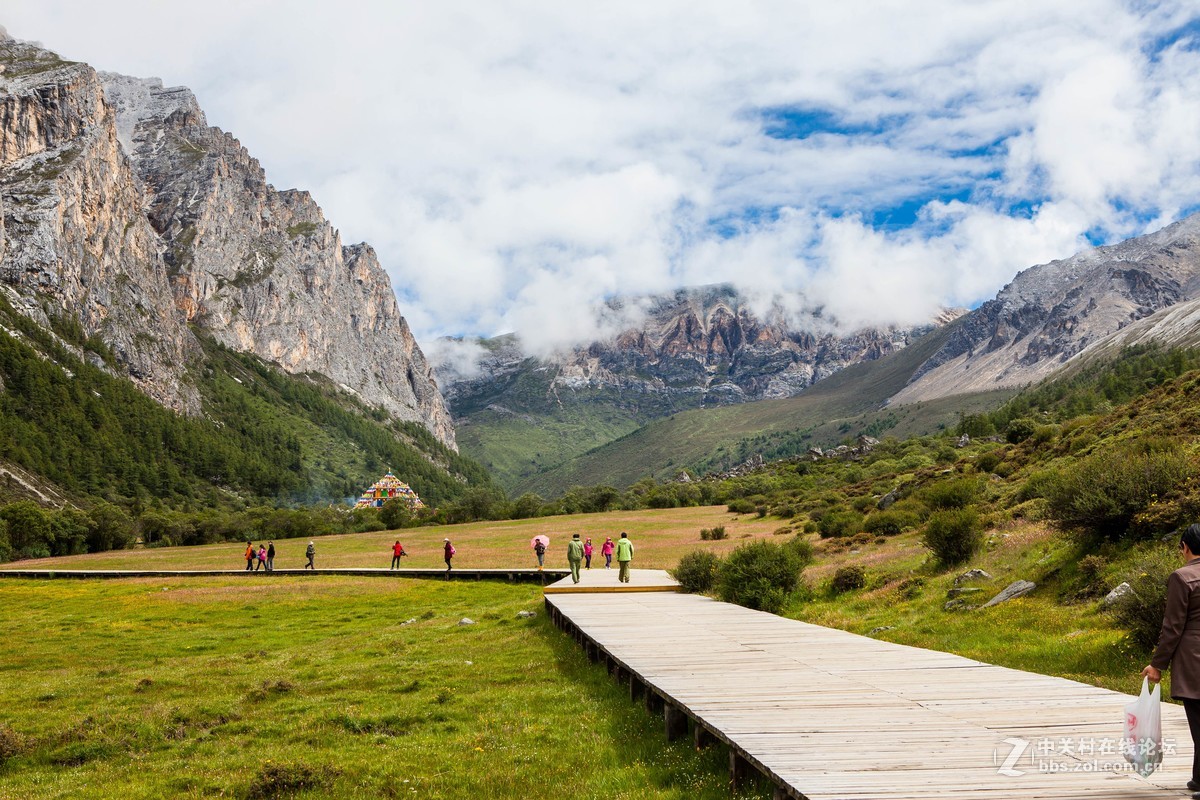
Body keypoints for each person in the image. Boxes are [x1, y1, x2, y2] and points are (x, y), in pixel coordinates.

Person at [1143, 523, 1200, 795]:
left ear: (1185, 547)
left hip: (1194, 659)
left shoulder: (1182, 577)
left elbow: (1173, 626)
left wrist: (1158, 665)